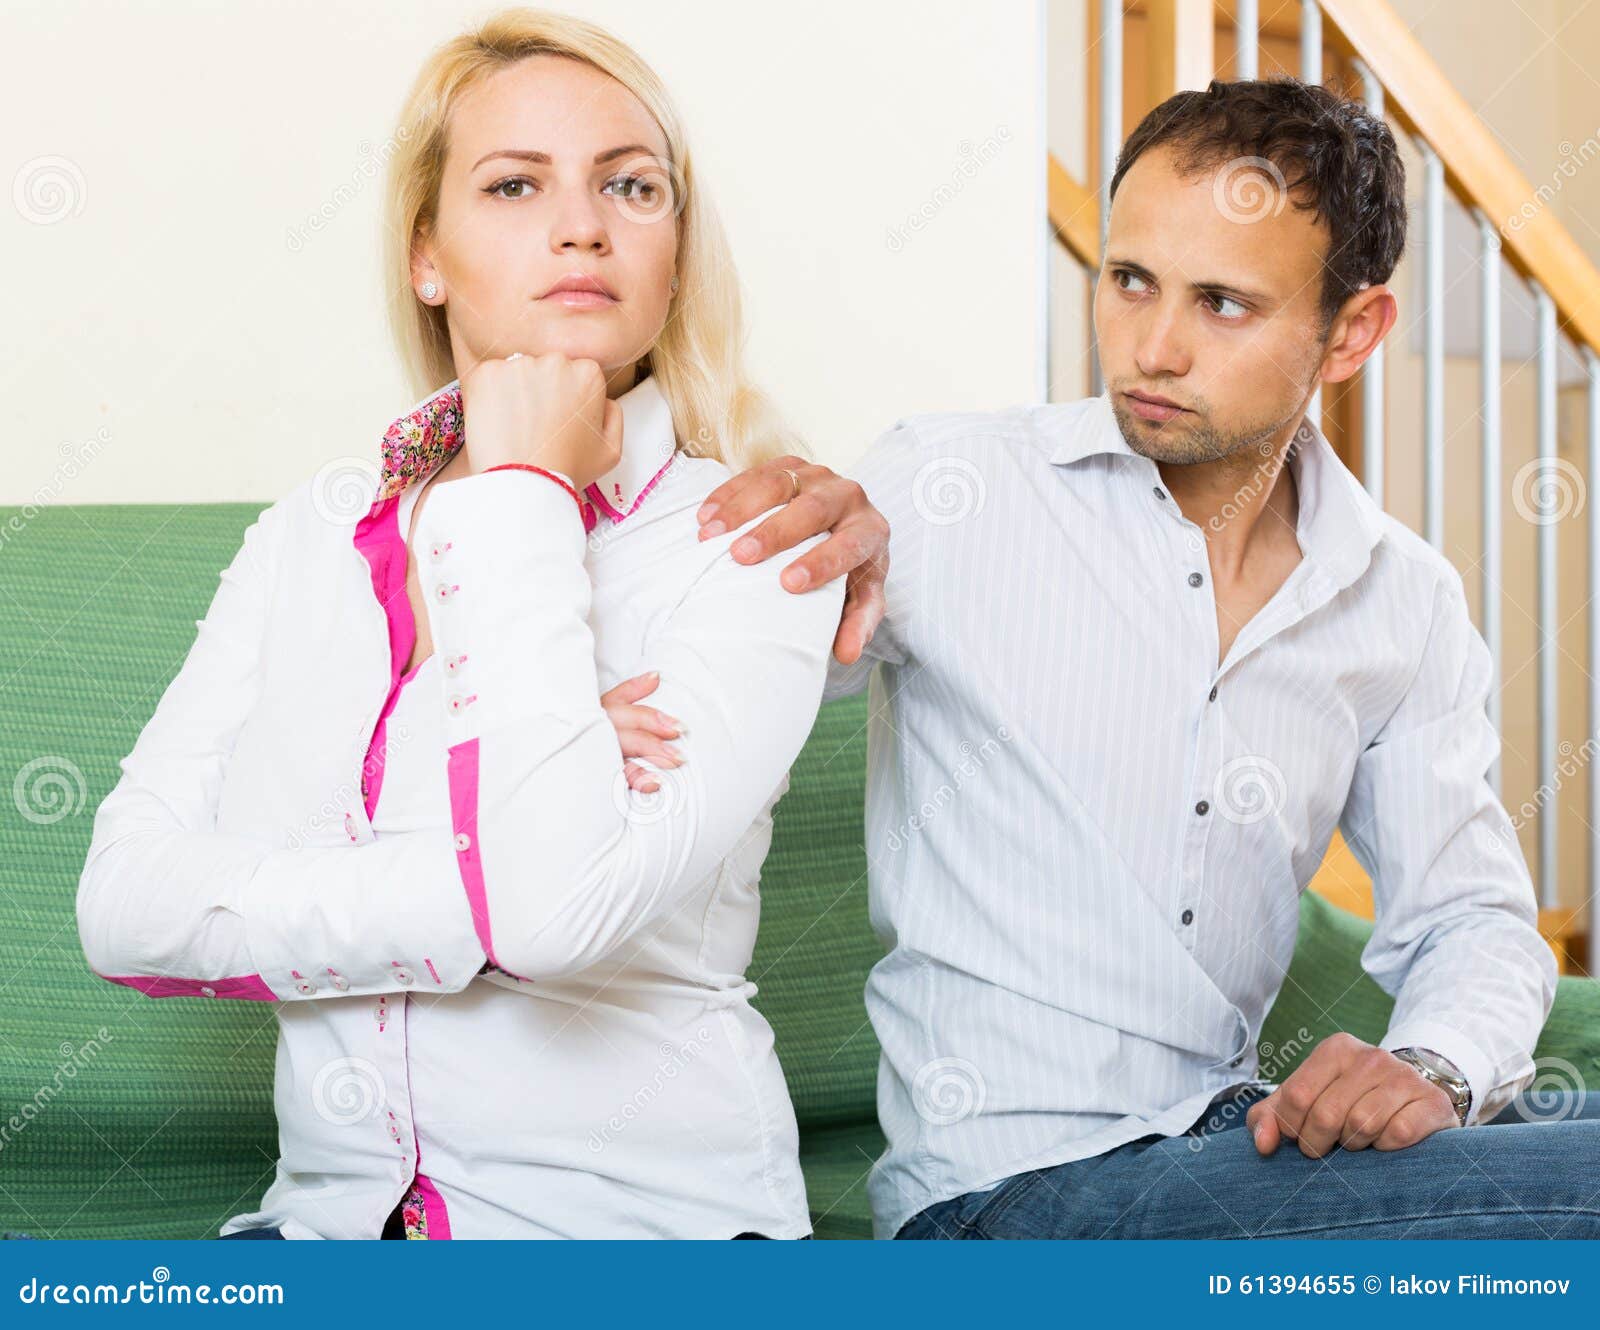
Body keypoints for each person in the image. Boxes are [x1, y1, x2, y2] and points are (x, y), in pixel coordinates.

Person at [637, 77, 1600, 1239]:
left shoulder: (1403, 602)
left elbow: (1472, 918)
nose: (1152, 345)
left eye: (1224, 305)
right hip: (1000, 1206)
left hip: (1242, 1157)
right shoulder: (947, 492)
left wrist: (1434, 1069)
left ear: (1352, 332)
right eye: (1129, 278)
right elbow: (700, 694)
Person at [75, 8, 842, 1240]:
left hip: (642, 1243)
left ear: (674, 245)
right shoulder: (308, 536)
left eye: (630, 185)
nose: (582, 222)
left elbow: (551, 920)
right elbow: (123, 903)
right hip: (324, 1236)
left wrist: (528, 495)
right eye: (514, 183)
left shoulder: (754, 540)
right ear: (426, 253)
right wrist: (489, 854)